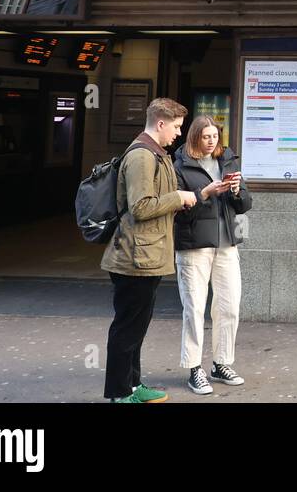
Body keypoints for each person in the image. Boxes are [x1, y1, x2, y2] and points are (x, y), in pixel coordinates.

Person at [100, 98, 196, 403]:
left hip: (146, 255)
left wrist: (177, 201)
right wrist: (178, 197)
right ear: (161, 123)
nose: (179, 134)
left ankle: (132, 385)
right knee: (127, 329)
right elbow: (141, 207)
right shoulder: (142, 156)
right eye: (177, 127)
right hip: (135, 258)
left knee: (136, 328)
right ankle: (118, 393)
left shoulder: (156, 153)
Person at [172, 115, 252, 396]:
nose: (211, 142)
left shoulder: (228, 160)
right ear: (195, 137)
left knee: (229, 305)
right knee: (194, 308)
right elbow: (177, 210)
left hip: (227, 242)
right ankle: (194, 368)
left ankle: (221, 362)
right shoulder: (180, 165)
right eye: (206, 137)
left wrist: (235, 191)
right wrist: (204, 193)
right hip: (194, 245)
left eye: (215, 137)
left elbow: (245, 204)